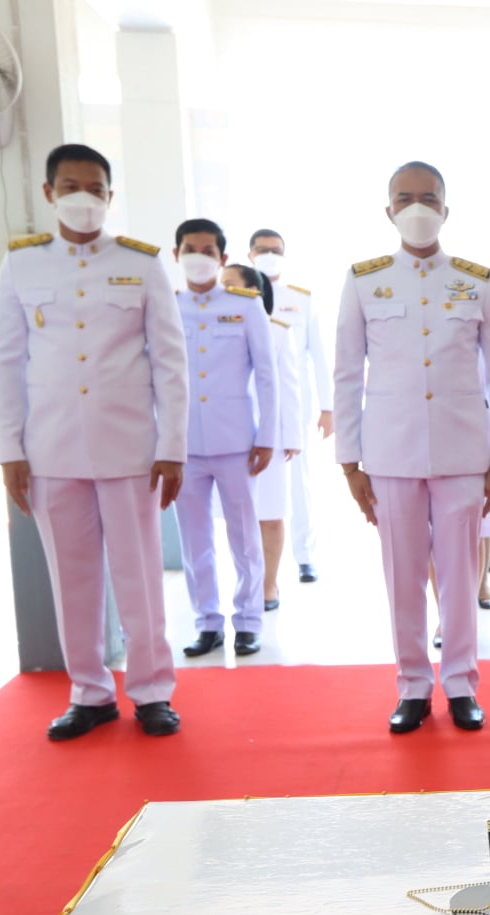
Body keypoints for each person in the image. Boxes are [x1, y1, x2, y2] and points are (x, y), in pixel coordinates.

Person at [0, 143, 188, 740]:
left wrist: (172, 446)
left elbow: (170, 362)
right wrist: (10, 450)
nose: (84, 198)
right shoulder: (21, 265)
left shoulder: (142, 263)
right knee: (71, 579)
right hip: (51, 450)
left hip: (129, 449)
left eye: (95, 189)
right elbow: (6, 362)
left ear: (109, 196)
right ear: (49, 193)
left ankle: (152, 690)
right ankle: (90, 693)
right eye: (71, 187)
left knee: (139, 576)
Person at [334, 161, 490, 734]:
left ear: (445, 208)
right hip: (390, 456)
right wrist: (349, 462)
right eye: (405, 197)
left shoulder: (476, 279)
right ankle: (412, 685)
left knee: (460, 577)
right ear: (388, 209)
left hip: (464, 455)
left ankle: (461, 683)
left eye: (428, 198)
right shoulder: (363, 280)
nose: (417, 207)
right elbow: (347, 374)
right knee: (403, 574)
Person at [172, 220, 278, 659]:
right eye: (190, 249)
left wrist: (267, 436)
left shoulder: (245, 305)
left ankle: (249, 622)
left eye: (208, 251)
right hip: (182, 447)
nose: (199, 257)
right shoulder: (166, 307)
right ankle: (207, 623)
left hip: (237, 442)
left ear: (223, 258)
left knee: (244, 538)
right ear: (176, 255)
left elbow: (267, 375)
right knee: (194, 540)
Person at [247, 229, 331, 584]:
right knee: (257, 485)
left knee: (299, 479)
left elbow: (318, 355)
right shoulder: (240, 296)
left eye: (276, 250)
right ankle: (260, 563)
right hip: (249, 406)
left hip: (293, 406)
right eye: (262, 249)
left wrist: (328, 407)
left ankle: (305, 555)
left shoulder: (300, 299)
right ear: (250, 255)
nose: (269, 255)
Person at [220, 262, 301, 610]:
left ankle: (269, 585)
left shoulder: (277, 330)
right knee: (240, 518)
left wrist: (292, 436)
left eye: (230, 284)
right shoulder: (212, 329)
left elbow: (289, 386)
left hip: (270, 435)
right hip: (228, 434)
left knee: (270, 512)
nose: (222, 290)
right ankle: (247, 584)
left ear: (253, 292)